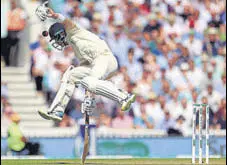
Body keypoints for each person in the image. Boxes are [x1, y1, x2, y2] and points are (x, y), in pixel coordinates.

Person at [35, 2, 136, 122]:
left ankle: (124, 97)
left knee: (89, 81)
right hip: (96, 65)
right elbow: (87, 69)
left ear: (61, 34)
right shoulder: (75, 47)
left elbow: (68, 22)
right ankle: (58, 110)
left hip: (105, 59)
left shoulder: (74, 32)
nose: (57, 43)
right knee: (71, 75)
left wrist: (55, 16)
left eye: (56, 39)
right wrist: (88, 97)